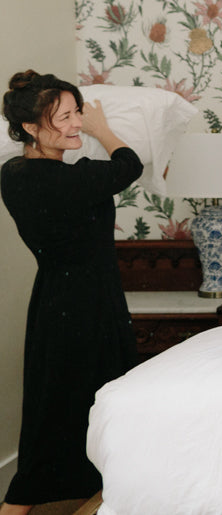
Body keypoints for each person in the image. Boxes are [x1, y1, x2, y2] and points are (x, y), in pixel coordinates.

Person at [1, 71, 142, 514]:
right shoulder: (53, 179)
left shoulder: (18, 173)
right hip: (78, 308)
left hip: (71, 300)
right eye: (65, 116)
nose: (78, 123)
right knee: (70, 415)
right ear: (30, 128)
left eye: (78, 113)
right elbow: (129, 165)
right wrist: (104, 129)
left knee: (71, 413)